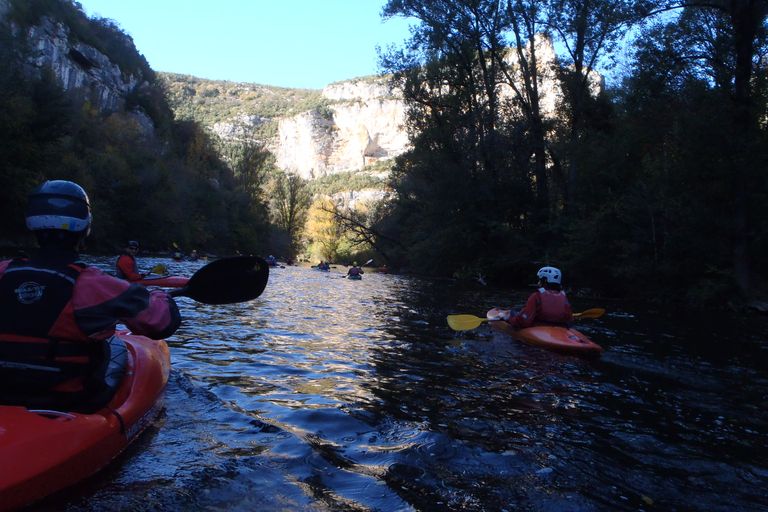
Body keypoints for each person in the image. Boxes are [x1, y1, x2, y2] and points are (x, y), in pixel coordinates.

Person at [0, 180, 181, 413]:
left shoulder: (4, 272)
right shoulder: (94, 284)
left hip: (4, 393)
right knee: (115, 346)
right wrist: (161, 296)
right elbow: (160, 322)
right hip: (65, 402)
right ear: (84, 227)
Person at [502, 266, 573, 328]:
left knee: (512, 312)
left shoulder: (536, 296)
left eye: (540, 280)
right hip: (560, 329)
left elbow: (524, 321)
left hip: (539, 328)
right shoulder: (563, 297)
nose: (538, 282)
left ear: (545, 280)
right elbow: (568, 318)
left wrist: (510, 319)